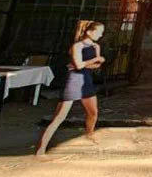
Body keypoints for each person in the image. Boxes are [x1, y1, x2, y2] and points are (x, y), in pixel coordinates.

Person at [35, 20, 105, 156]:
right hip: (73, 81)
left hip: (86, 81)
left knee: (93, 113)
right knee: (59, 117)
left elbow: (96, 66)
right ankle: (40, 149)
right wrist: (90, 61)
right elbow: (79, 65)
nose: (101, 35)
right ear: (89, 32)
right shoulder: (77, 46)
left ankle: (89, 136)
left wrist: (87, 63)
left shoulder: (96, 46)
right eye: (99, 32)